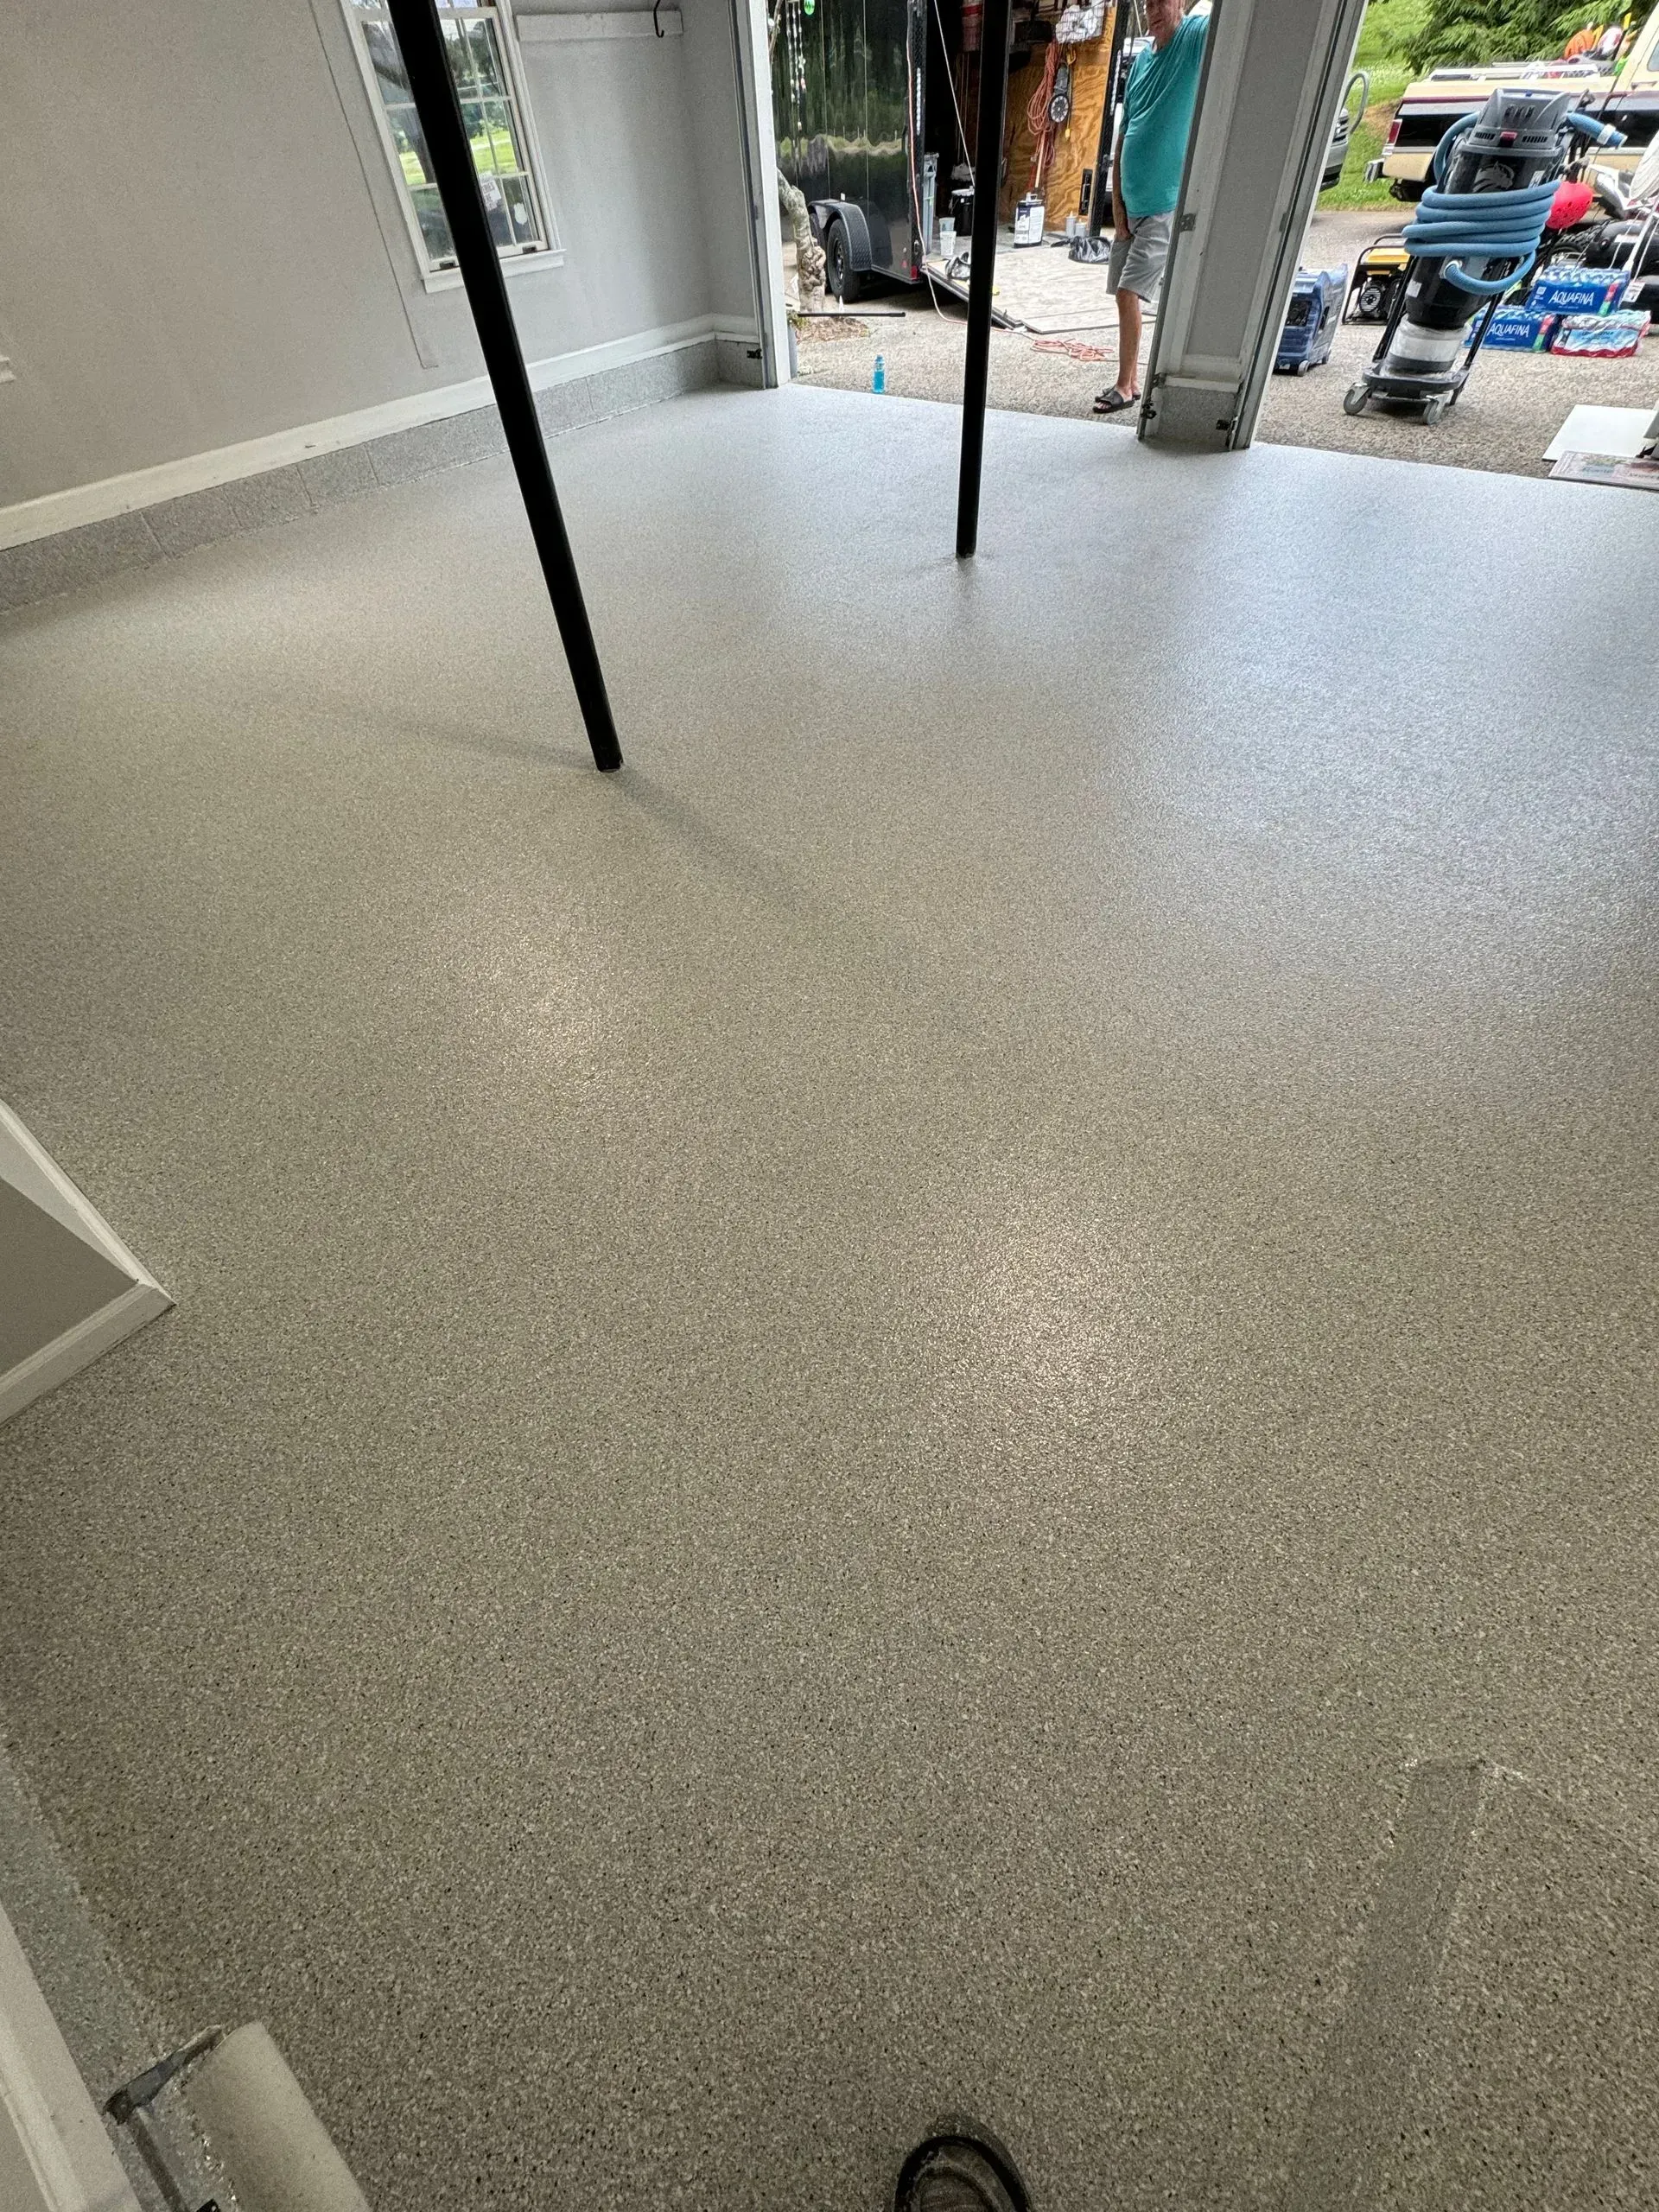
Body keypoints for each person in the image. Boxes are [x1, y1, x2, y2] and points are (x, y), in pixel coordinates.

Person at [1093, 0, 1209, 415]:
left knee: (1130, 292)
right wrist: (1117, 208)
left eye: (1161, 2)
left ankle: (1126, 386)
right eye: (1146, 4)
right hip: (1131, 204)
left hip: (1163, 204)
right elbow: (1124, 133)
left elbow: (1232, 23)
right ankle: (1130, 380)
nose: (1151, 10)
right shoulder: (1142, 60)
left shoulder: (1193, 37)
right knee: (1122, 296)